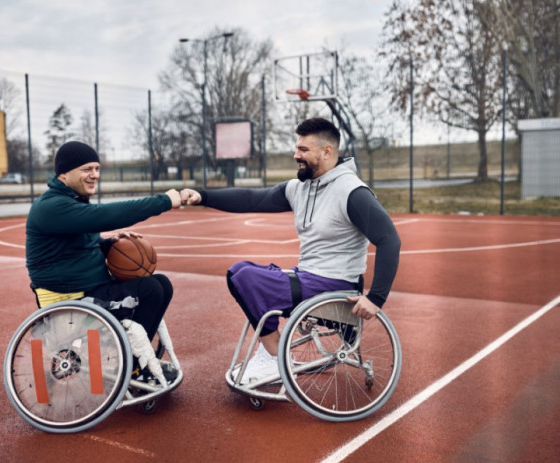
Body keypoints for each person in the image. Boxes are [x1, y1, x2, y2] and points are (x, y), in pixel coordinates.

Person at [180, 117, 401, 382]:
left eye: (304, 150)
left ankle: (275, 358)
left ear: (327, 152)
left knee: (246, 277)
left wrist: (376, 298)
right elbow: (253, 198)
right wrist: (203, 197)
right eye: (297, 148)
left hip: (335, 285)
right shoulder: (301, 187)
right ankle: (274, 350)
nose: (296, 155)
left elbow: (390, 239)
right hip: (308, 277)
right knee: (239, 271)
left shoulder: (352, 191)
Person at [26, 140, 182, 385]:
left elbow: (84, 244)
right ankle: (132, 368)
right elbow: (106, 215)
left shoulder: (73, 203)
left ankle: (134, 361)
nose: (94, 175)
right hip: (70, 302)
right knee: (150, 289)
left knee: (161, 283)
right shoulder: (52, 207)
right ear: (64, 174)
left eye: (97, 169)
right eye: (87, 169)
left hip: (91, 292)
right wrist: (164, 201)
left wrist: (109, 243)